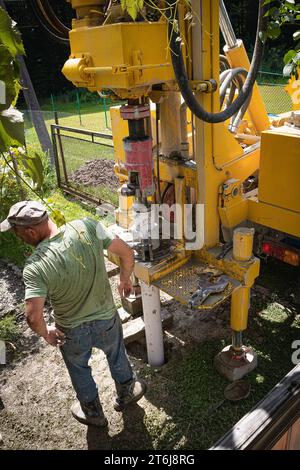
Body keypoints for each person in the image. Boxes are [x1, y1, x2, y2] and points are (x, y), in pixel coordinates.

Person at [0, 201, 146, 428]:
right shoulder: (88, 224)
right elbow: (127, 252)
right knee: (116, 353)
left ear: (30, 231)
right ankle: (127, 391)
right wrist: (125, 279)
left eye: (19, 235)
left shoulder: (35, 267)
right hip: (106, 318)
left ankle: (93, 413)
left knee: (79, 368)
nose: (20, 239)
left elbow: (32, 317)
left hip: (72, 331)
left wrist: (46, 332)